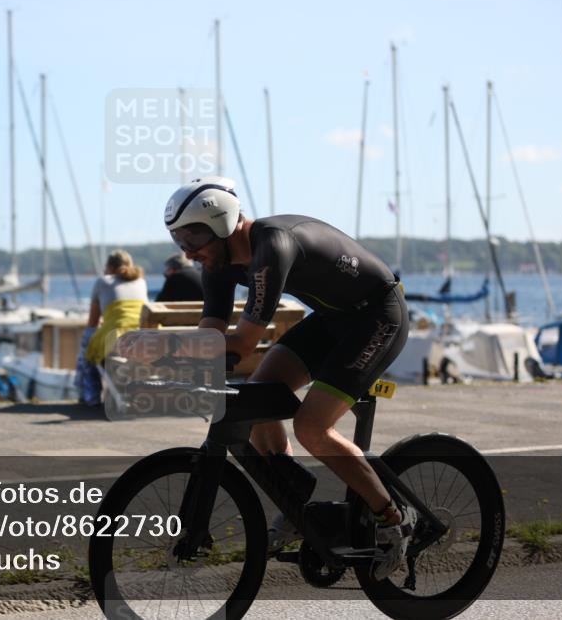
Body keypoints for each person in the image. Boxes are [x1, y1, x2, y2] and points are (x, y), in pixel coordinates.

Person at [120, 176, 413, 580]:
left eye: (193, 237)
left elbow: (241, 343)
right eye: (179, 239)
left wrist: (165, 345)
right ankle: (295, 504)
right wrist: (165, 362)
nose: (187, 251)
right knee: (256, 402)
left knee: (311, 428)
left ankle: (393, 519)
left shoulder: (272, 246)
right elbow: (210, 339)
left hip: (377, 316)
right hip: (333, 320)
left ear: (222, 223)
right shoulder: (216, 265)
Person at [75, 250, 148, 407]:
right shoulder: (141, 281)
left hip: (118, 338)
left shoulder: (103, 281)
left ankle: (91, 395)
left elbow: (93, 322)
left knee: (88, 342)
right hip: (146, 338)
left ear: (109, 267)